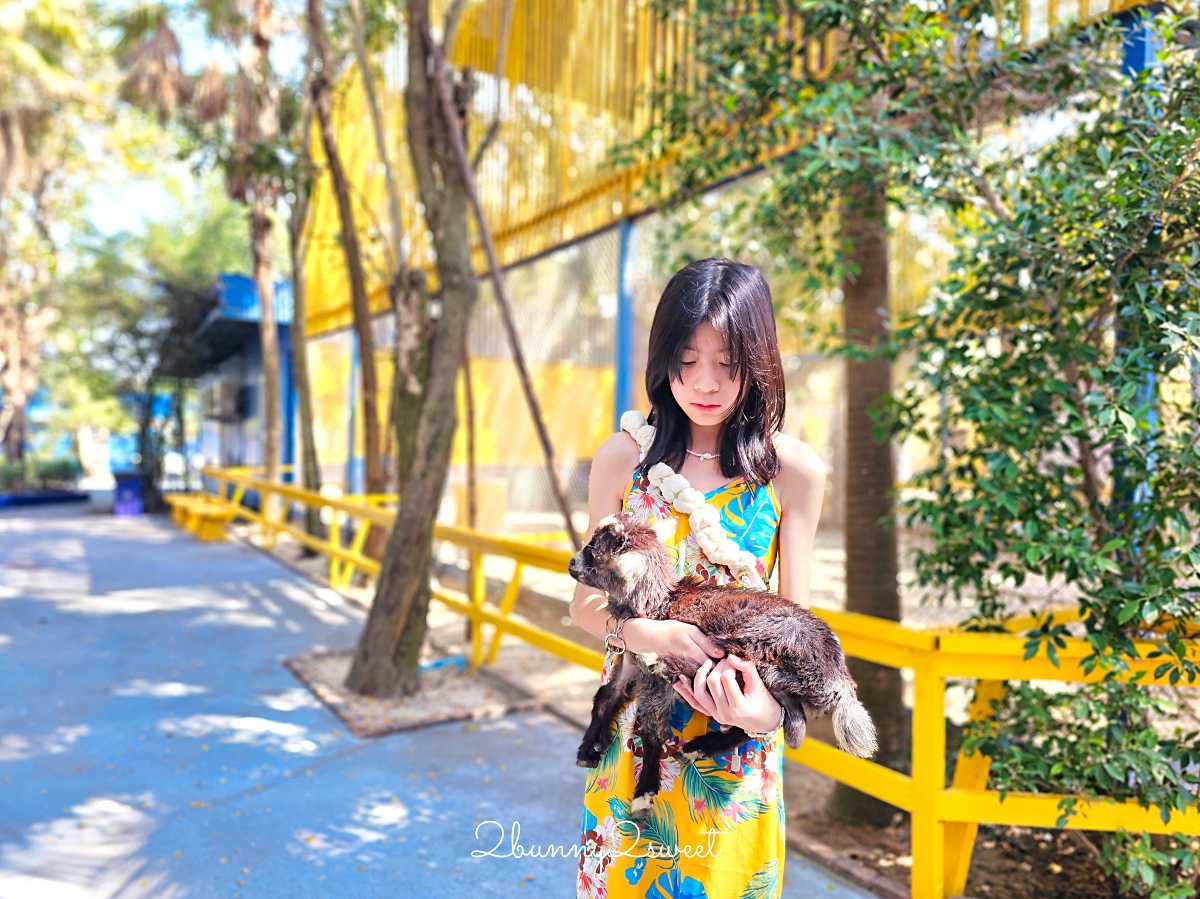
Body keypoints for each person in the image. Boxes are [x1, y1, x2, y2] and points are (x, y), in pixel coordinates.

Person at [569, 258, 827, 899]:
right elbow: (582, 605)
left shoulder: (791, 471)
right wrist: (654, 638)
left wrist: (766, 713)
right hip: (635, 751)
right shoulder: (623, 459)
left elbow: (797, 629)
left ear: (759, 360)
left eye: (727, 363)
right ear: (663, 361)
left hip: (736, 755)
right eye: (687, 361)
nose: (705, 383)